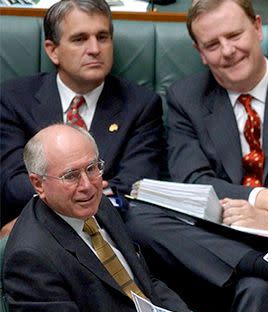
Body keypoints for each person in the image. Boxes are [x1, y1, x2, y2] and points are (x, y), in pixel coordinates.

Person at [125, 0, 268, 312]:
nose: (227, 51)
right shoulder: (186, 97)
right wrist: (263, 198)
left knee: (256, 290)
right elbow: (193, 181)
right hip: (212, 241)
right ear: (200, 52)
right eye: (212, 44)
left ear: (257, 27)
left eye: (234, 35)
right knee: (140, 216)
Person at [2, 124, 221, 312]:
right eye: (71, 176)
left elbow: (143, 280)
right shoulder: (30, 256)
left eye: (92, 168)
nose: (87, 186)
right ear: (38, 183)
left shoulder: (99, 206)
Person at [0, 0, 164, 235]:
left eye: (103, 37)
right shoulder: (13, 99)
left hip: (109, 230)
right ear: (52, 50)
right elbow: (13, 185)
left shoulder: (141, 105)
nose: (95, 49)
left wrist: (49, 215)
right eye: (80, 39)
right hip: (28, 230)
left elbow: (132, 187)